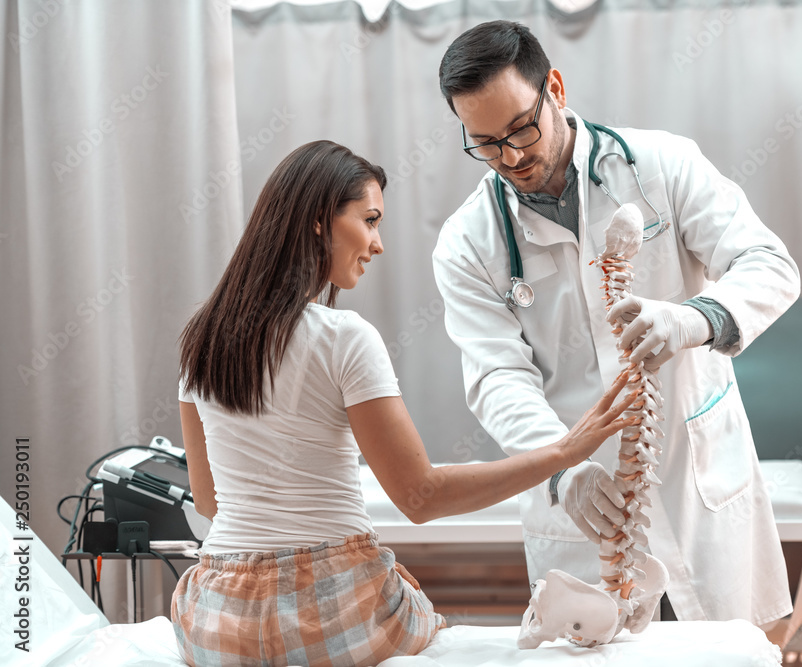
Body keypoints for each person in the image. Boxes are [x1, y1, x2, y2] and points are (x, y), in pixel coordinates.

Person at [171, 140, 637, 666]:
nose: (377, 244)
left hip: (214, 618)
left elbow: (209, 504)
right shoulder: (344, 337)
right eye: (369, 221)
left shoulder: (200, 342)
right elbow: (420, 497)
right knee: (421, 614)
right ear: (321, 220)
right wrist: (565, 452)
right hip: (332, 614)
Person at [432, 21, 799, 630]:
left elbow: (769, 264)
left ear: (554, 87)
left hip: (695, 484)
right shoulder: (468, 242)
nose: (513, 156)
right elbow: (497, 377)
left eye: (522, 127)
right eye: (487, 143)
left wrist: (694, 319)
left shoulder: (662, 165)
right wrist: (561, 467)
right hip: (582, 511)